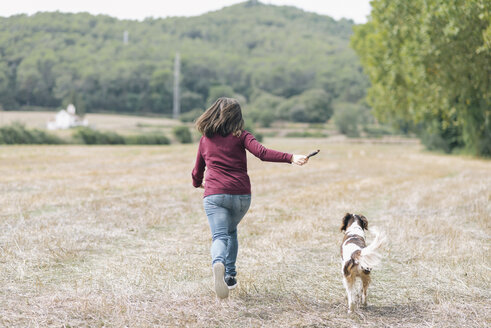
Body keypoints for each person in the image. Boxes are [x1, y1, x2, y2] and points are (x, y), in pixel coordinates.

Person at [192, 97, 309, 299]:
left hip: (215, 195)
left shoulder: (205, 139)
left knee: (220, 236)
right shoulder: (242, 135)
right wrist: (291, 157)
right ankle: (229, 276)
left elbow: (197, 170)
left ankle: (218, 263)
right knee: (232, 231)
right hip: (241, 196)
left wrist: (197, 183)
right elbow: (262, 153)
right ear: (237, 116)